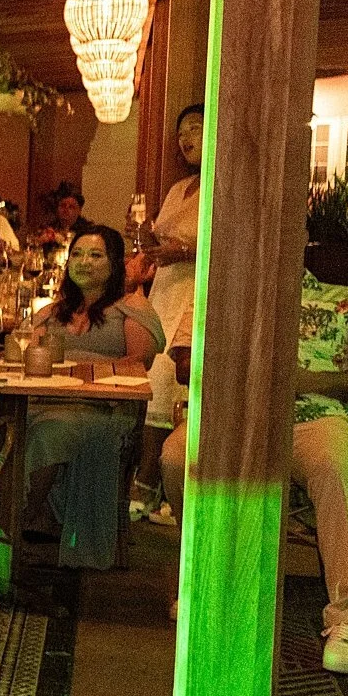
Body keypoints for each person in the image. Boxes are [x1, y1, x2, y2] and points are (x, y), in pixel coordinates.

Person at [161, 267, 348, 675]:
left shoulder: (347, 301)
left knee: (334, 467)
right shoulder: (215, 289)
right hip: (233, 417)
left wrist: (306, 380)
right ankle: (204, 578)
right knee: (177, 455)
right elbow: (183, 367)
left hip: (317, 417)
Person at [22, 224, 166, 568]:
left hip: (107, 408)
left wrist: (80, 370)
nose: (83, 262)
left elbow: (137, 365)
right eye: (77, 254)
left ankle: (16, 522)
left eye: (95, 255)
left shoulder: (130, 308)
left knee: (52, 430)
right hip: (45, 400)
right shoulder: (52, 312)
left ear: (115, 263)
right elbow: (26, 355)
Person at [134, 105, 207, 510]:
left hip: (197, 290)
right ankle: (152, 482)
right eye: (182, 131)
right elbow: (159, 238)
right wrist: (145, 237)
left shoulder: (225, 183)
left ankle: (153, 484)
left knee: (171, 383)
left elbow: (229, 242)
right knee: (151, 380)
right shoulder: (180, 188)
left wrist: (183, 250)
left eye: (196, 127)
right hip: (164, 289)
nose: (187, 136)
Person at [39, 181, 86, 247]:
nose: (66, 210)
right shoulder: (50, 229)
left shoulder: (85, 231)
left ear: (79, 210)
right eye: (63, 205)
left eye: (71, 207)